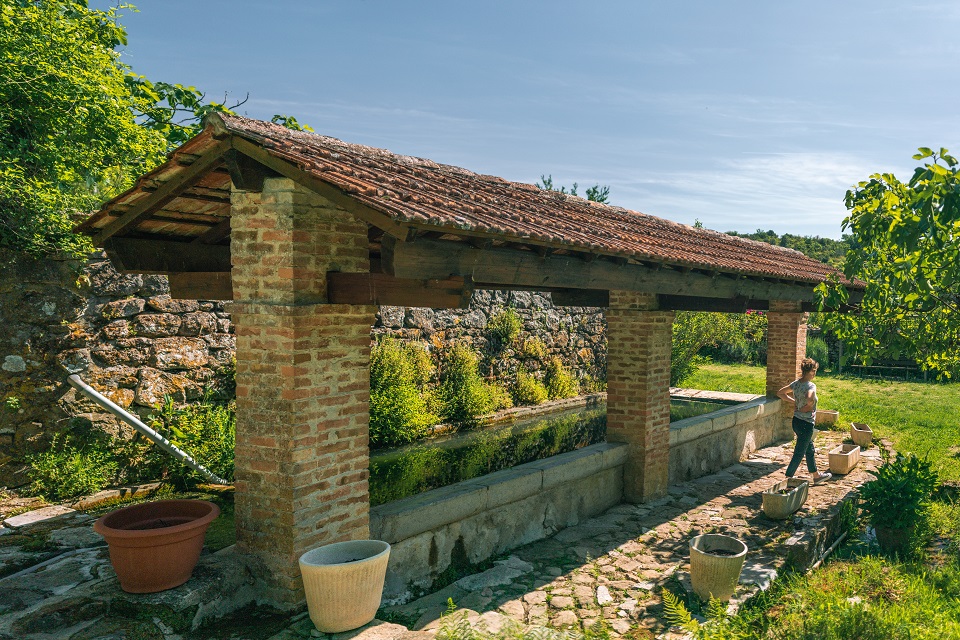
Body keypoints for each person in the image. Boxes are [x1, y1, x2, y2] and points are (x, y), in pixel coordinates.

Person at [777, 358, 832, 484]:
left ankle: (816, 476)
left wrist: (795, 402)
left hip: (796, 422)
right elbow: (809, 398)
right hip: (806, 425)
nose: (815, 373)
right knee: (799, 452)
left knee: (809, 449)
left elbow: (780, 393)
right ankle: (787, 477)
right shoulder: (811, 385)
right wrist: (808, 404)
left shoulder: (796, 384)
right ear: (811, 371)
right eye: (814, 371)